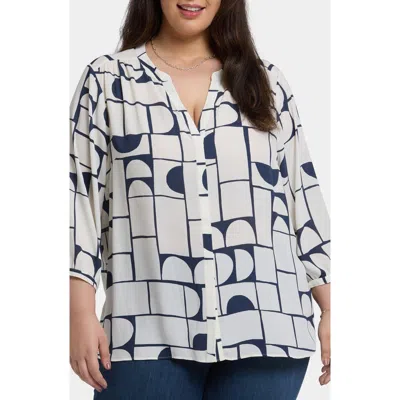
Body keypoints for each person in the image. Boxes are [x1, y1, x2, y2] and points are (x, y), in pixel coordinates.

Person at [69, 1, 331, 399]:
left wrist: (331, 307)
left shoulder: (267, 83)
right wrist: (79, 312)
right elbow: (77, 199)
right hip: (145, 329)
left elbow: (303, 196)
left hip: (269, 326)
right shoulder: (108, 81)